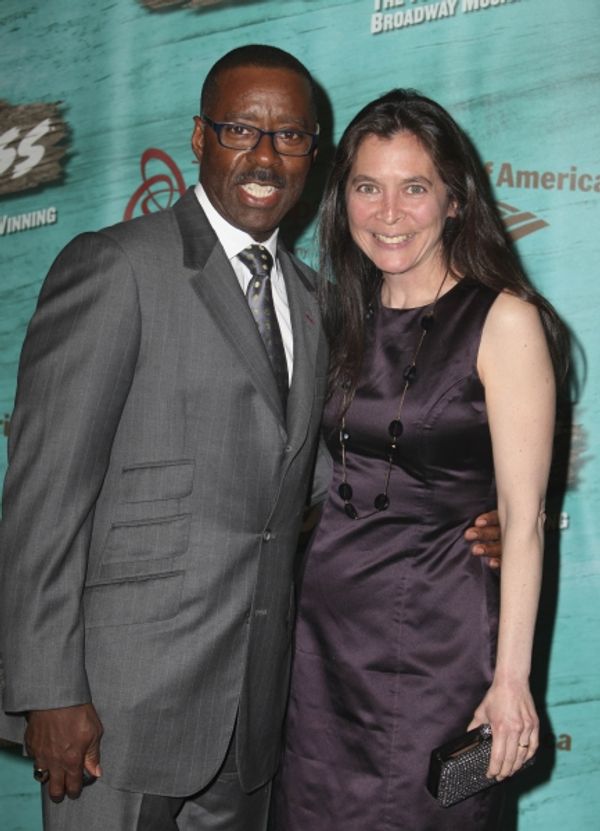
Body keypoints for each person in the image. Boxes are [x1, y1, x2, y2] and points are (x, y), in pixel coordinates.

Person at [0, 48, 501, 831]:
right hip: (115, 712)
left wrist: (468, 518)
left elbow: (340, 481)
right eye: (241, 129)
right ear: (199, 136)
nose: (266, 156)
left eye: (292, 136)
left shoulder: (319, 302)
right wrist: (49, 690)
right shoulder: (117, 268)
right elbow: (44, 497)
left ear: (316, 152)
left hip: (256, 715)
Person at [273, 89, 566, 831]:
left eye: (414, 188)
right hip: (319, 651)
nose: (389, 212)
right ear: (345, 200)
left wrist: (511, 679)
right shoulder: (333, 315)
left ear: (455, 200)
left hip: (440, 645)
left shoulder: (503, 320)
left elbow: (525, 522)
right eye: (369, 187)